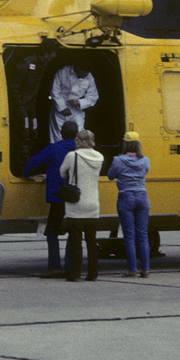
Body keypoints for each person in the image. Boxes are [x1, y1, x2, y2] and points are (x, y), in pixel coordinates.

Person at [22, 120, 81, 276]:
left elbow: (31, 164)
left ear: (61, 132)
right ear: (77, 134)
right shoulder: (82, 150)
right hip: (77, 196)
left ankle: (54, 266)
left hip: (59, 197)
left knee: (52, 231)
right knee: (74, 231)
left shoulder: (54, 148)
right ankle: (70, 267)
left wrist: (27, 174)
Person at [60, 129, 105, 282]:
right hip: (93, 203)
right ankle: (93, 274)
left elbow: (62, 172)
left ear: (78, 140)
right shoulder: (100, 157)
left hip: (76, 204)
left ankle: (75, 274)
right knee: (92, 241)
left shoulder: (72, 156)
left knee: (75, 241)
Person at [108, 131, 152, 277]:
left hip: (125, 197)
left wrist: (117, 160)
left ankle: (132, 270)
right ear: (138, 144)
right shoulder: (145, 160)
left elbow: (110, 176)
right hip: (142, 196)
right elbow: (144, 172)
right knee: (143, 235)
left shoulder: (118, 161)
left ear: (124, 144)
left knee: (129, 235)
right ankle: (145, 269)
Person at [49, 65, 98, 143]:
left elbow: (93, 96)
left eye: (87, 72)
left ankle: (76, 154)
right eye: (84, 71)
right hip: (60, 108)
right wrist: (62, 107)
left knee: (79, 135)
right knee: (58, 136)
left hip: (76, 110)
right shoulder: (62, 72)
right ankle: (58, 154)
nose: (86, 74)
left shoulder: (89, 77)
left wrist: (79, 102)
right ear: (78, 68)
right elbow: (54, 91)